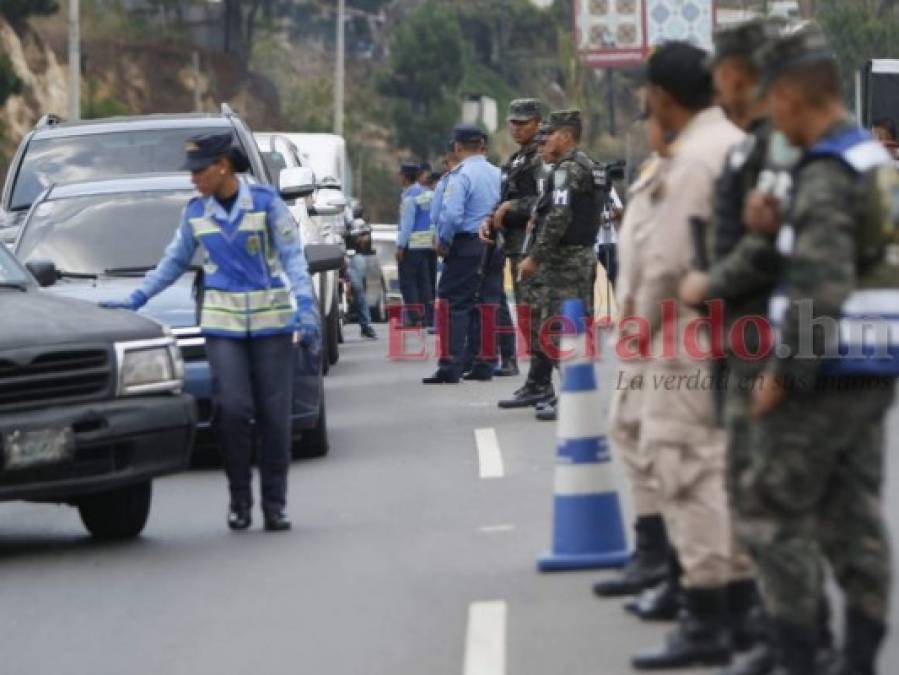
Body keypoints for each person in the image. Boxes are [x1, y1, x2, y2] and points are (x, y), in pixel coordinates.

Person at [739, 24, 896, 675]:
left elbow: (823, 281)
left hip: (825, 369)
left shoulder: (827, 171)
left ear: (795, 94)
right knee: (851, 513)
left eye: (771, 99)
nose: (770, 116)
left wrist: (782, 374)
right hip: (872, 359)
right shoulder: (869, 160)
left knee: (771, 508)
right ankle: (856, 659)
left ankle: (799, 656)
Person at [101, 132, 319, 532]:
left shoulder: (267, 204)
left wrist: (306, 310)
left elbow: (292, 259)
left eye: (199, 171)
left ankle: (275, 504)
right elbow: (172, 263)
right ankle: (239, 498)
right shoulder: (195, 213)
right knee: (232, 410)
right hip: (223, 327)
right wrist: (135, 299)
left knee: (274, 416)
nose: (193, 179)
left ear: (222, 166)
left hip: (272, 323)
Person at [677, 19, 808, 675]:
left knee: (768, 495)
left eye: (723, 71)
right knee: (746, 487)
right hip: (737, 333)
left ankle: (797, 638)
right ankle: (773, 625)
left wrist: (710, 282)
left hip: (765, 336)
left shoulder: (775, 147)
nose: (717, 85)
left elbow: (775, 250)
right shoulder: (750, 146)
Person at [629, 42, 754, 670]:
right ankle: (739, 609)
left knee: (689, 472)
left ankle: (709, 615)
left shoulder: (696, 157)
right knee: (724, 472)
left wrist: (634, 335)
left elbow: (667, 261)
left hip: (687, 336)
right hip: (731, 334)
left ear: (662, 93)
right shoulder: (729, 142)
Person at [592, 113, 673, 601]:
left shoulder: (694, 166)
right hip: (642, 327)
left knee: (679, 456)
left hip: (669, 333)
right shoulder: (658, 171)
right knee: (633, 432)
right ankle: (657, 557)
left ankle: (698, 588)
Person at [500, 110, 602, 422]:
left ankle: (575, 398)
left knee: (559, 329)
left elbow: (558, 218)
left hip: (566, 262)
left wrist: (534, 257)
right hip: (579, 258)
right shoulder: (586, 166)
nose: (545, 139)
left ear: (567, 136)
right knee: (569, 328)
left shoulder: (566, 171)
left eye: (551, 134)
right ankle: (570, 395)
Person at [423, 125, 500, 384]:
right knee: (487, 303)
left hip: (466, 245)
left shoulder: (461, 175)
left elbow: (453, 214)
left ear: (457, 147)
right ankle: (485, 362)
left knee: (452, 304)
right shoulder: (497, 174)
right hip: (492, 244)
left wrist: (443, 240)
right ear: (481, 146)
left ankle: (450, 365)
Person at [397, 161, 435, 328]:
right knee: (424, 283)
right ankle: (426, 317)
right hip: (426, 245)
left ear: (405, 177)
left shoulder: (409, 197)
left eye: (400, 175)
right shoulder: (426, 194)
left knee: (408, 282)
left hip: (412, 245)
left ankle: (414, 318)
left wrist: (400, 246)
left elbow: (407, 224)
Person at [346, 219, 378, 339]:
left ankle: (366, 325)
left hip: (348, 255)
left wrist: (361, 235)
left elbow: (362, 230)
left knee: (358, 286)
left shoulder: (345, 213)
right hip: (324, 254)